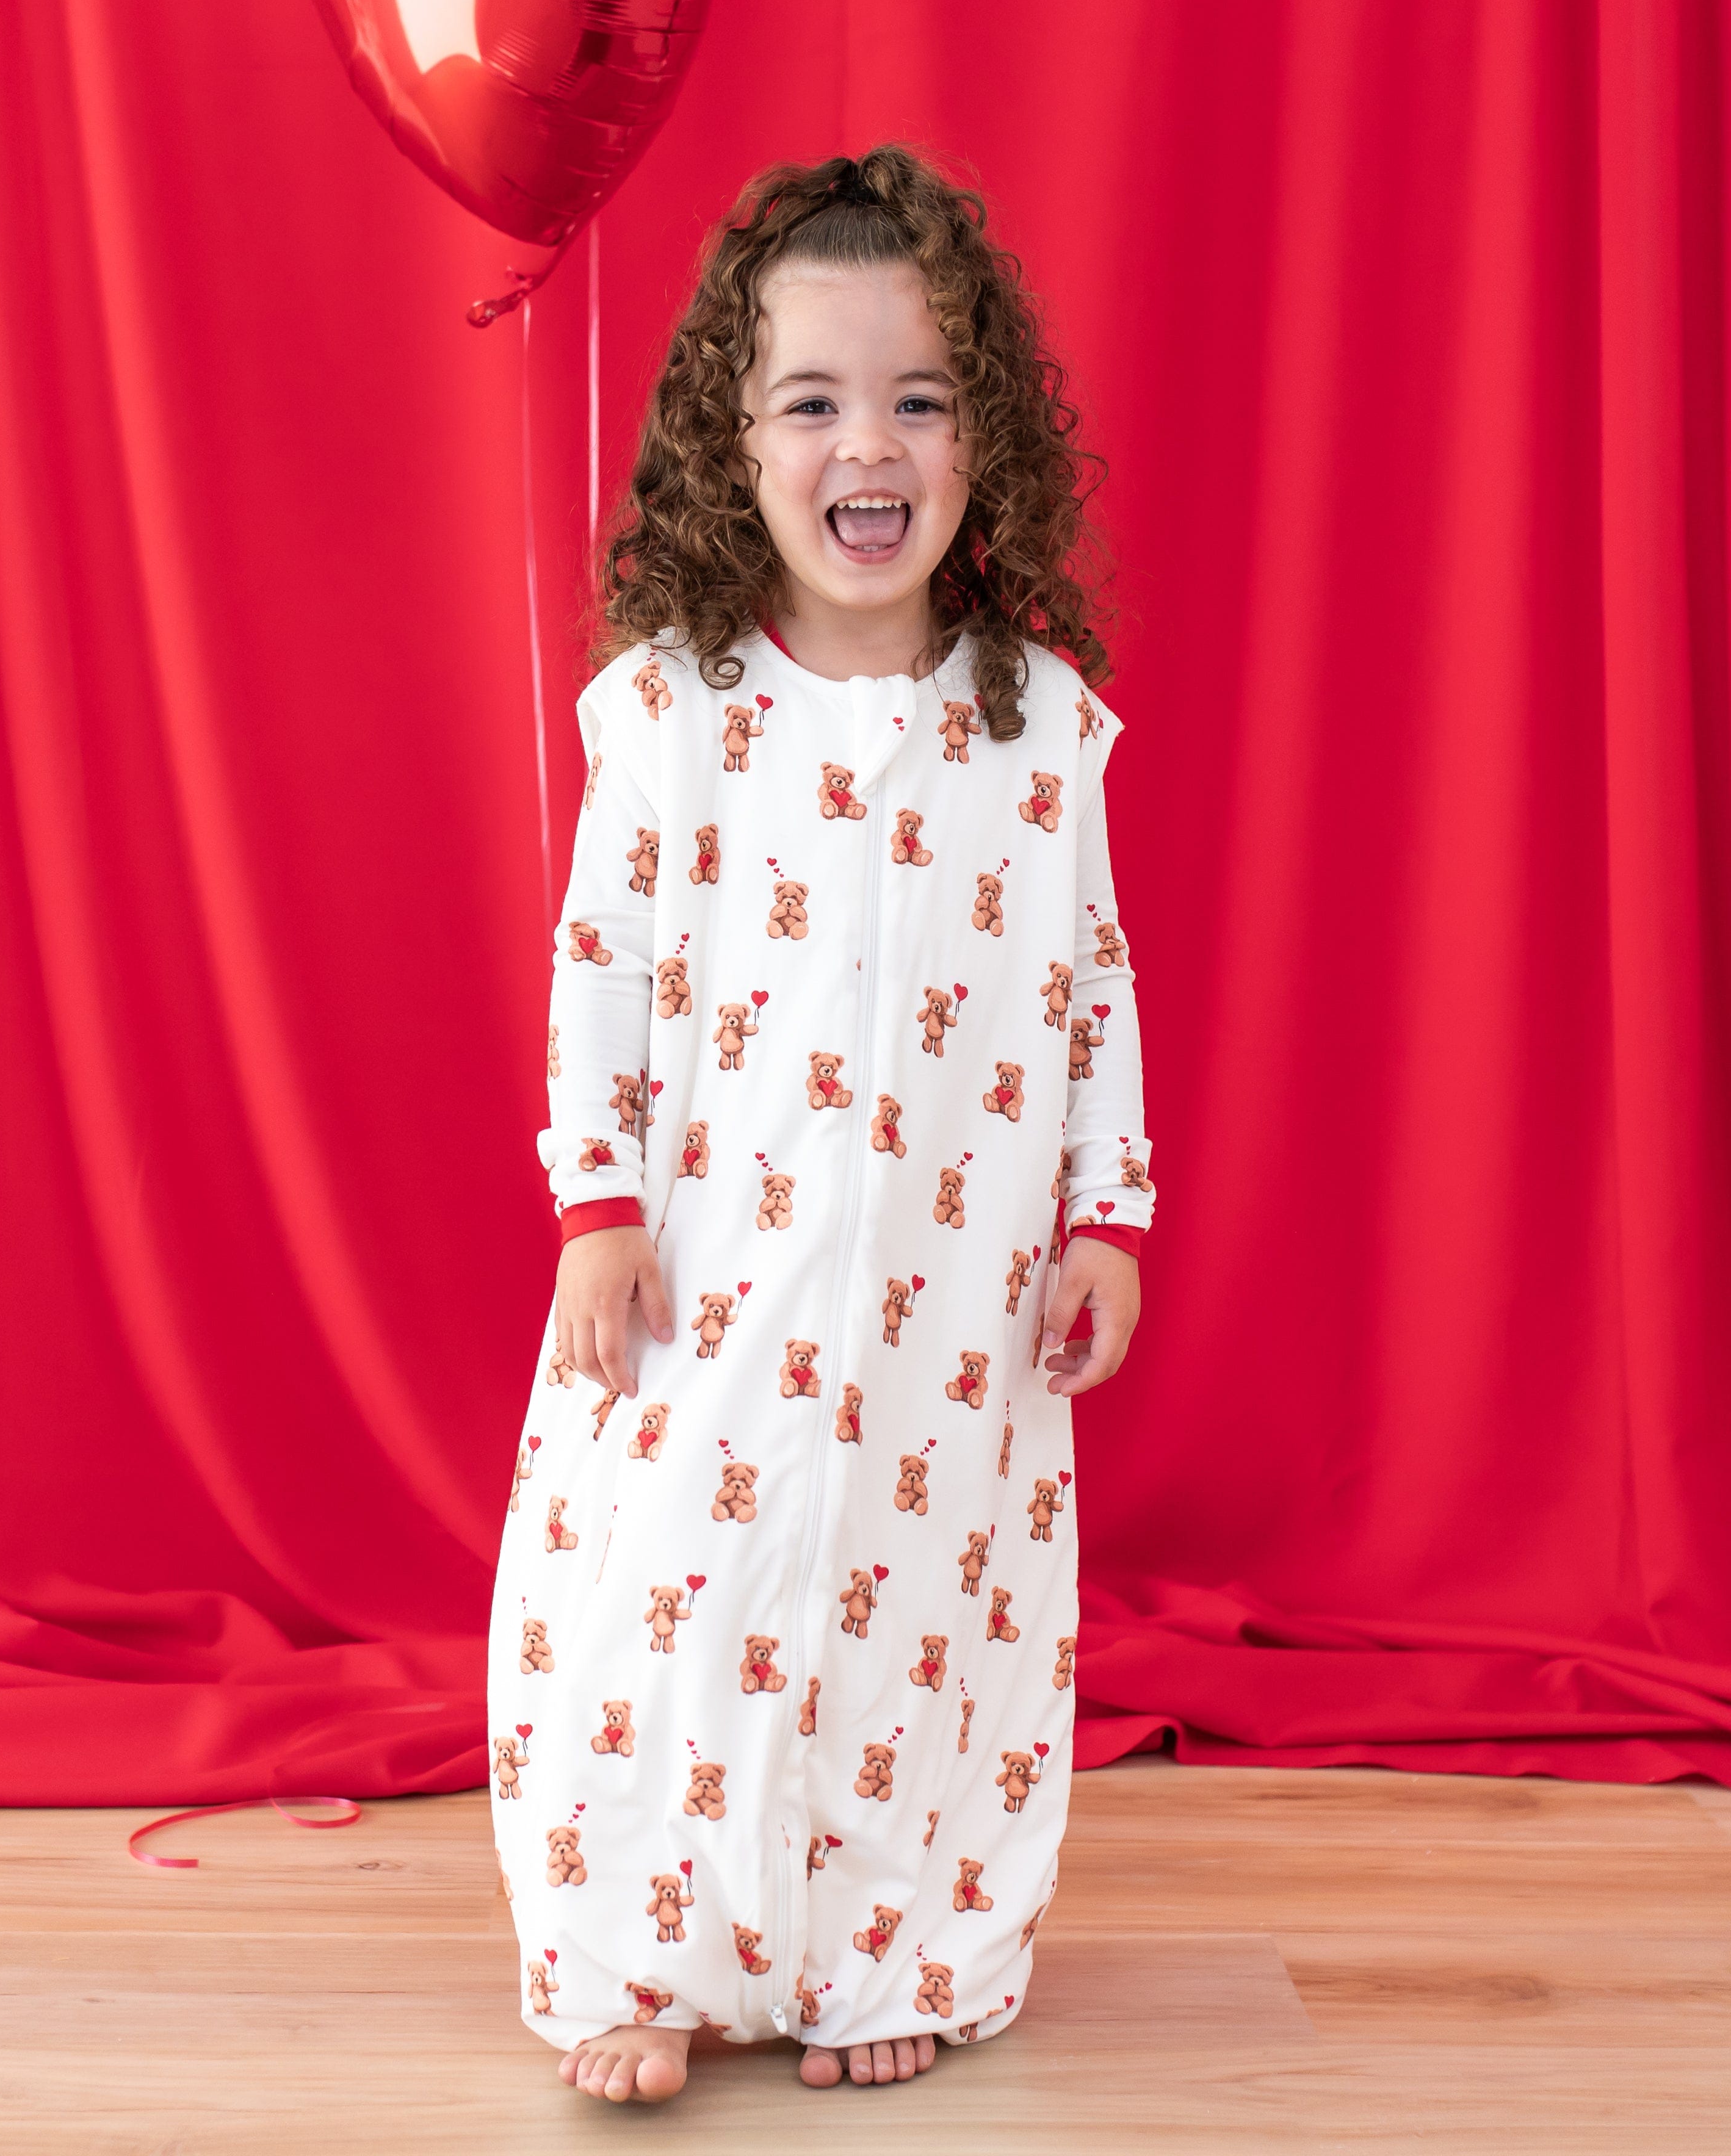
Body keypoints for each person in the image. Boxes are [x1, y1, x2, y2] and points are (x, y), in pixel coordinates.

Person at [488, 144, 1152, 2104]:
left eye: (921, 398)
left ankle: (892, 1953)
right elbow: (599, 966)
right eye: (813, 402)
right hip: (710, 1286)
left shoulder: (1038, 728)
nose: (870, 443)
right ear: (735, 442)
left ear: (984, 437)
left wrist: (1107, 1218)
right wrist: (598, 1203)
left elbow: (1094, 981)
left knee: (929, 1624)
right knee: (666, 1607)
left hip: (954, 1315)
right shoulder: (672, 716)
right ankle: (641, 1956)